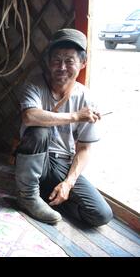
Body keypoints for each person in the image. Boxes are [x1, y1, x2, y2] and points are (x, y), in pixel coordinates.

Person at [15, 28, 113, 226]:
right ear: (48, 62)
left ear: (83, 63)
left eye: (69, 61)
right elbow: (29, 116)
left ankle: (46, 195)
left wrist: (68, 183)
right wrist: (76, 116)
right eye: (56, 60)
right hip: (35, 157)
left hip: (62, 163)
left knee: (101, 215)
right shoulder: (34, 85)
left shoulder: (87, 98)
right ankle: (27, 195)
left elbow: (84, 148)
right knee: (38, 130)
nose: (62, 67)